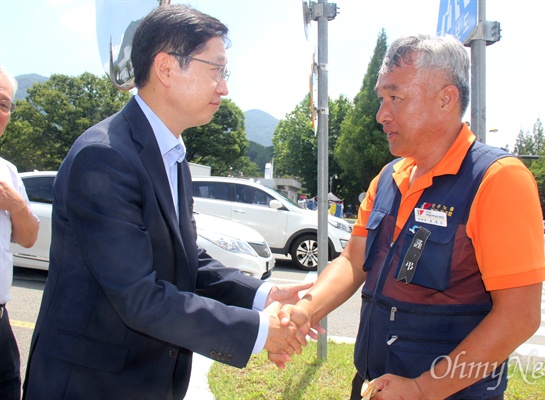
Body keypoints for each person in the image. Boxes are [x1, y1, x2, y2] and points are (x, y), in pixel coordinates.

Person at [23, 5, 316, 399]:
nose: (224, 87)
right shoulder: (106, 156)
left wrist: (262, 295)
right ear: (165, 67)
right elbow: (138, 296)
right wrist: (261, 331)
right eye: (215, 69)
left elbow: (183, 260)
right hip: (92, 384)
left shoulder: (170, 152)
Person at [291, 34, 545, 399]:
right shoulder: (388, 178)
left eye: (395, 97)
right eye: (382, 99)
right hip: (373, 385)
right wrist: (307, 310)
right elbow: (353, 260)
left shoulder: (498, 180)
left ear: (446, 99)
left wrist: (423, 389)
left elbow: (519, 317)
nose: (381, 114)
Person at [0, 67, 40, 400]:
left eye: (4, 104)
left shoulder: (9, 172)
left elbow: (28, 238)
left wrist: (14, 204)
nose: (0, 111)